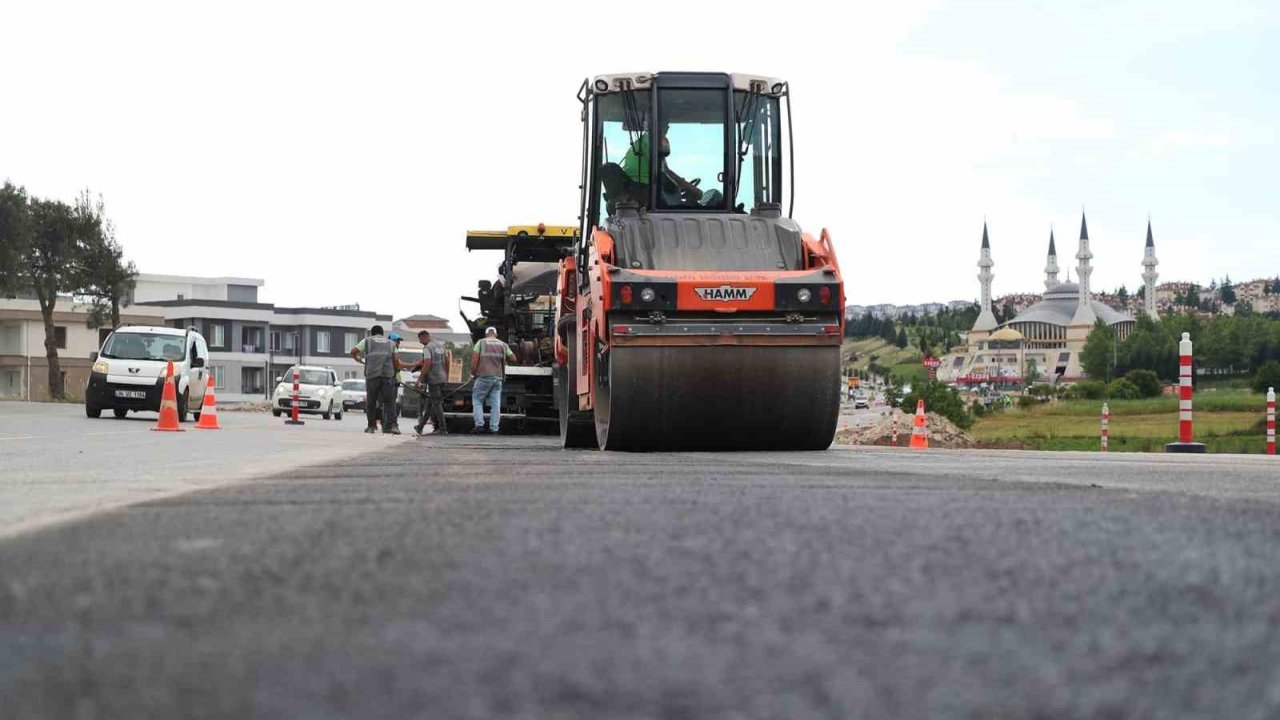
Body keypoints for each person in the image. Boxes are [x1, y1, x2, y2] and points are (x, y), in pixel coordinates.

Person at [621, 123, 703, 205]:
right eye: (663, 124)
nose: (666, 129)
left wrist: (680, 183)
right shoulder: (652, 142)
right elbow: (666, 172)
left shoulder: (641, 143)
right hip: (647, 191)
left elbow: (665, 172)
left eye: (666, 126)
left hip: (640, 190)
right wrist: (692, 189)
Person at [350, 325, 405, 434]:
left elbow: (353, 351)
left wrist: (359, 360)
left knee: (371, 402)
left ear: (372, 333)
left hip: (372, 376)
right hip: (387, 375)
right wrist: (394, 373)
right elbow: (396, 360)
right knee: (390, 402)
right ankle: (393, 426)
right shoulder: (391, 343)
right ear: (382, 333)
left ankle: (371, 426)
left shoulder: (367, 341)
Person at [470, 326, 516, 434]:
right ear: (496, 334)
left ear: (486, 334)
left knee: (477, 400)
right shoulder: (503, 344)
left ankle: (479, 425)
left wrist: (473, 373)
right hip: (498, 378)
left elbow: (474, 359)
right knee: (495, 404)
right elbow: (513, 358)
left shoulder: (481, 343)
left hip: (483, 376)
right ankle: (494, 428)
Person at [409, 329, 450, 436]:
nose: (420, 342)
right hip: (442, 378)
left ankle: (443, 428)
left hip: (434, 379)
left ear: (425, 337)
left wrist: (419, 380)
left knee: (436, 403)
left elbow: (427, 363)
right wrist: (447, 375)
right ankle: (420, 426)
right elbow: (447, 360)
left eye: (420, 340)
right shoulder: (440, 346)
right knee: (430, 404)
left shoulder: (428, 348)